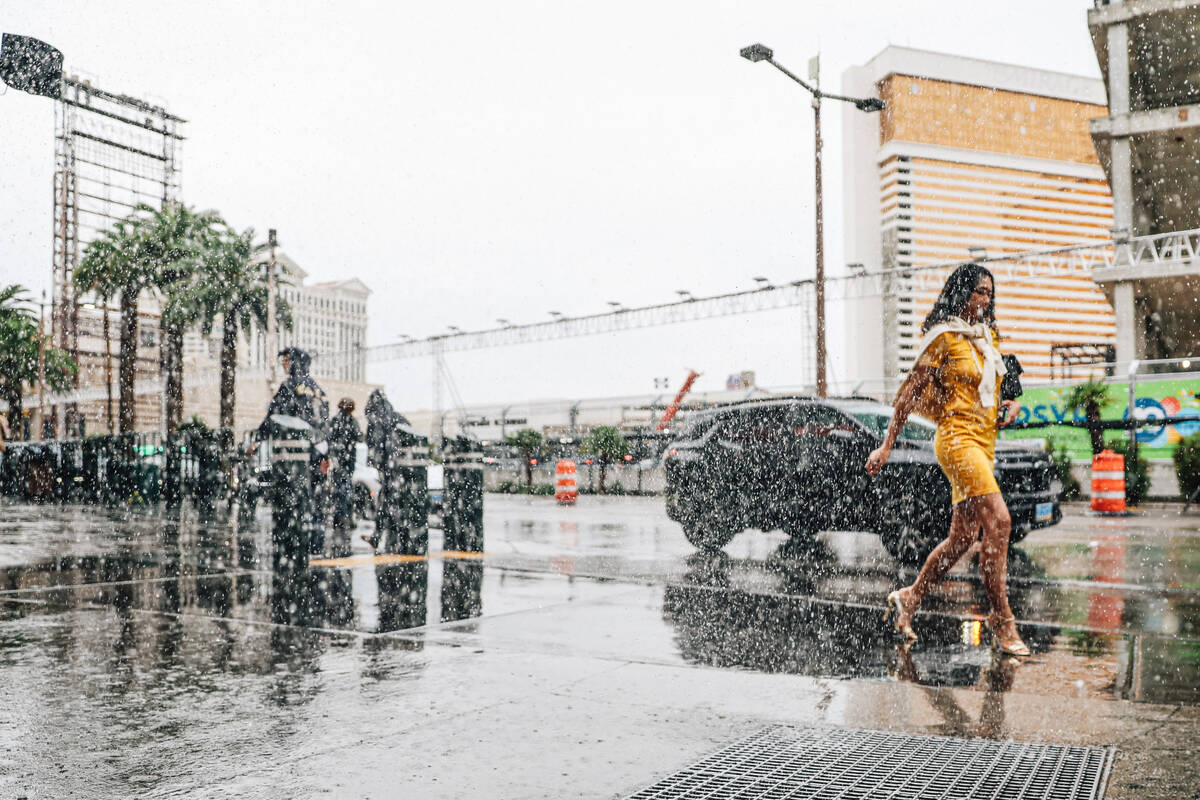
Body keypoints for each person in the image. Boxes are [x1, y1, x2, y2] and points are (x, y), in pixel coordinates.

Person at [865, 263, 1029, 657]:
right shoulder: (944, 338)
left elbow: (1002, 385)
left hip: (983, 440)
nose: (985, 299)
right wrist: (888, 444)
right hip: (956, 439)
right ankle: (1001, 619)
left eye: (990, 293)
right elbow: (909, 394)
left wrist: (1013, 403)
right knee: (1001, 521)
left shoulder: (986, 339)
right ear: (961, 293)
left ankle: (910, 598)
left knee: (961, 540)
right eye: (978, 291)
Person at [253, 347, 330, 554]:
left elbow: (274, 414)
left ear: (295, 361)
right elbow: (324, 425)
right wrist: (325, 454)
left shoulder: (289, 386)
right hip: (316, 452)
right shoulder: (319, 391)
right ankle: (315, 542)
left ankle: (294, 541)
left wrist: (258, 439)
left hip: (294, 454)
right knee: (314, 497)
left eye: (286, 360)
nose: (284, 364)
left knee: (294, 496)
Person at [328, 397, 362, 530]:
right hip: (347, 461)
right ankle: (344, 517)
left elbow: (329, 438)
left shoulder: (335, 421)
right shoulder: (351, 421)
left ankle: (339, 518)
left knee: (339, 490)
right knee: (346, 490)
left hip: (339, 461)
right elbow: (359, 436)